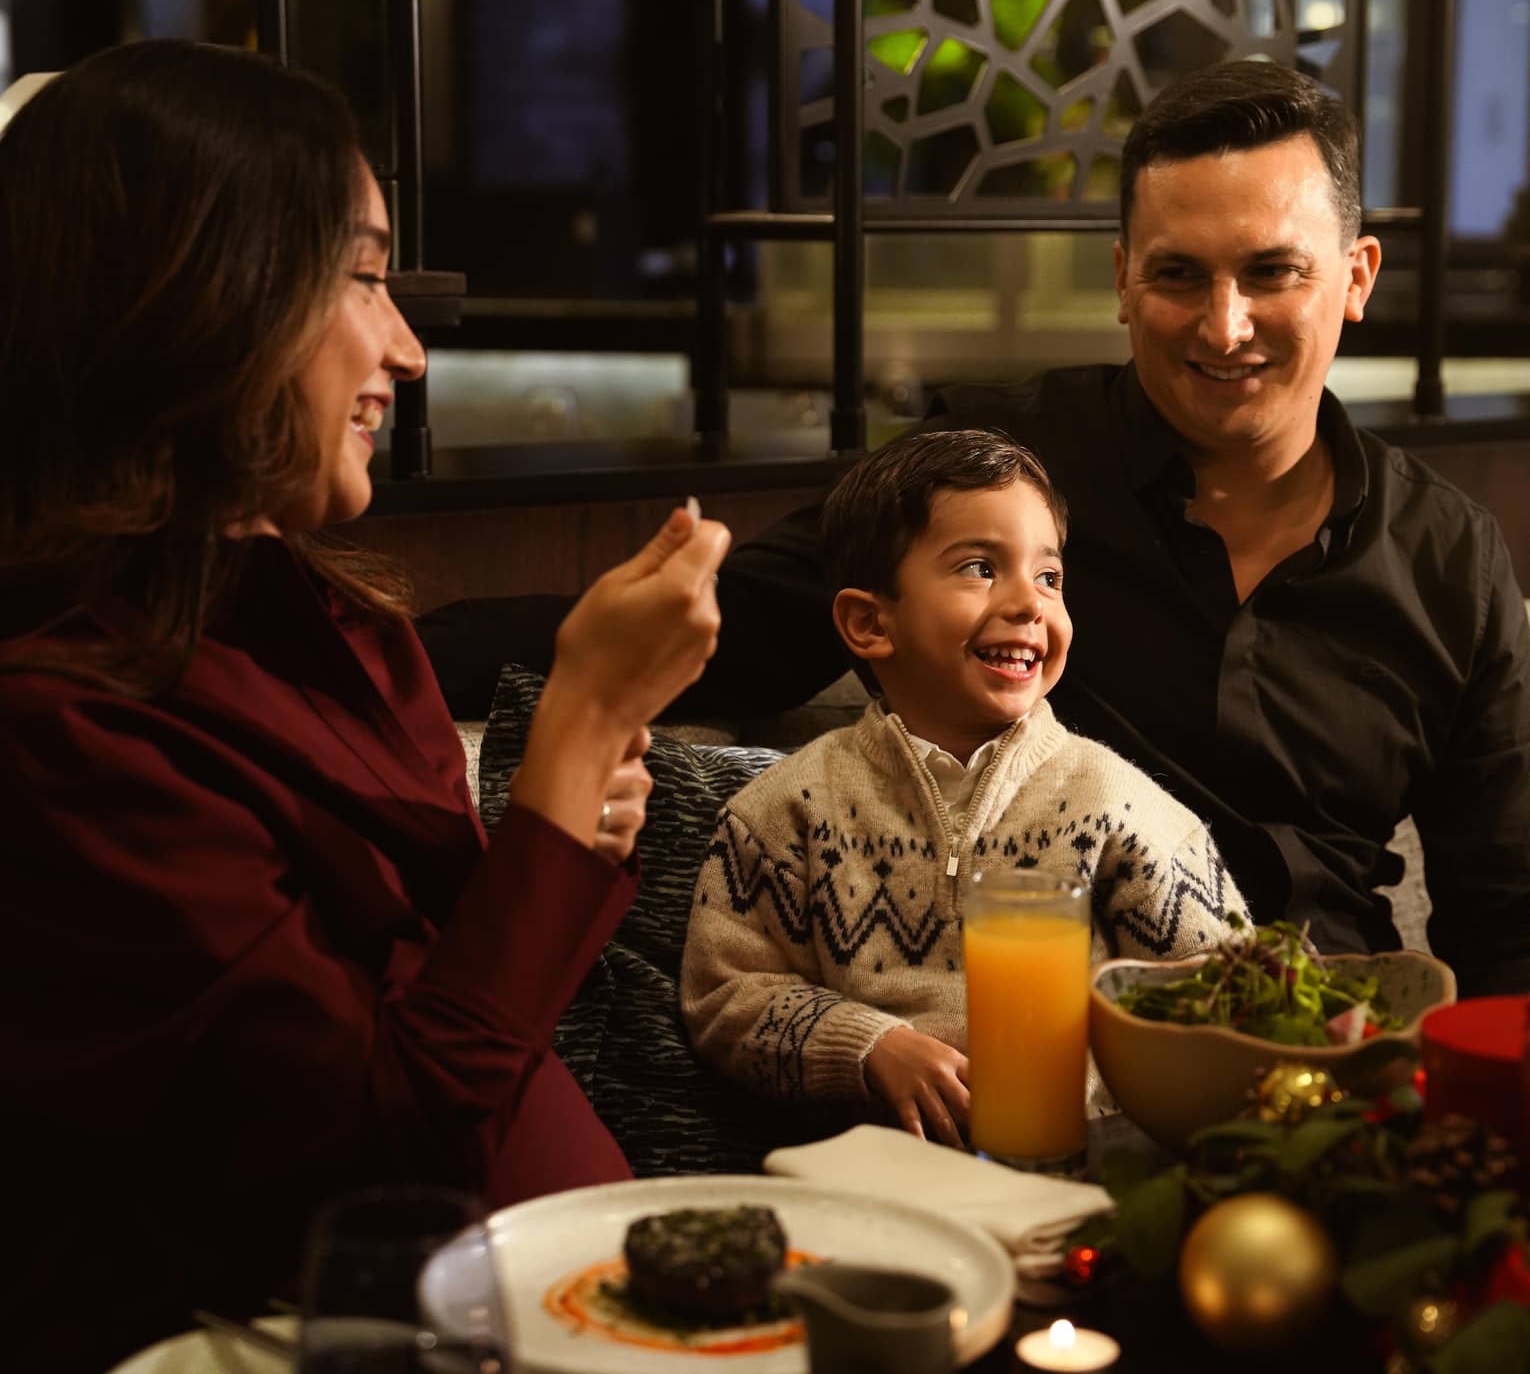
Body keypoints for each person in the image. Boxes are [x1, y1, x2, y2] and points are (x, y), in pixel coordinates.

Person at [420, 60, 1530, 996]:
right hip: (1039, 1044)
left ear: (1355, 277)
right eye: (1179, 276)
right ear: (1123, 282)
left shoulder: (1450, 559)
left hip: (1337, 1054)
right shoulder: (1001, 470)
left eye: (1272, 272)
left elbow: (1504, 910)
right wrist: (383, 652)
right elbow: (738, 626)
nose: (1224, 325)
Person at [0, 39, 730, 1374]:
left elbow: (464, 1011)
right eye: (362, 276)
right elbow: (376, 1160)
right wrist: (570, 735)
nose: (408, 348)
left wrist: (567, 827)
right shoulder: (56, 727)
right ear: (201, 293)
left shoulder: (337, 623)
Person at [679, 429, 1247, 1145]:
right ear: (869, 623)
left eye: (1049, 577)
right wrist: (866, 1046)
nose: (1030, 603)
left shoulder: (1113, 802)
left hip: (1081, 1159)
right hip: (865, 1168)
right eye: (981, 568)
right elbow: (724, 998)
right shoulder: (785, 810)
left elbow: (1229, 990)